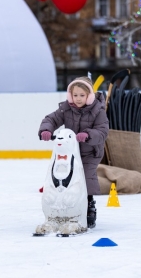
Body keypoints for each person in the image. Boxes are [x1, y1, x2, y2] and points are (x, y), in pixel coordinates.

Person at [38, 76, 109, 228]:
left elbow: (102, 131)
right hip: (70, 152)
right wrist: (46, 130)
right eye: (75, 95)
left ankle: (89, 204)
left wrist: (88, 134)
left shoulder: (98, 111)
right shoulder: (66, 108)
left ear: (89, 96)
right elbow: (51, 119)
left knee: (86, 177)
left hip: (89, 152)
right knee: (65, 177)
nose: (78, 99)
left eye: (82, 95)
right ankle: (62, 202)